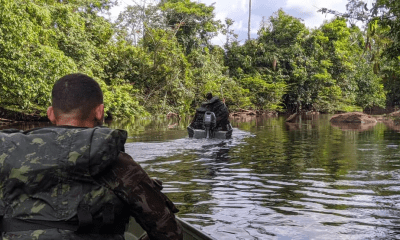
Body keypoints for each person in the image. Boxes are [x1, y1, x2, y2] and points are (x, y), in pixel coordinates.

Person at [0, 73, 183, 240]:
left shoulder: (7, 154)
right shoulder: (116, 162)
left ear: (51, 114)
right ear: (100, 112)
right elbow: (169, 233)